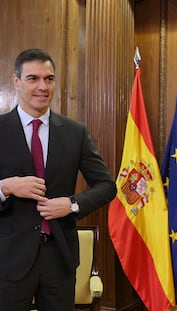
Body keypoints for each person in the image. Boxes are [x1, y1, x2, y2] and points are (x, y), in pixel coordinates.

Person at [0, 48, 116, 310]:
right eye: (33, 78)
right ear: (16, 81)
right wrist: (6, 186)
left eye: (49, 79)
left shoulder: (75, 132)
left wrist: (72, 204)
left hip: (59, 257)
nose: (42, 86)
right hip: (8, 258)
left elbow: (107, 186)